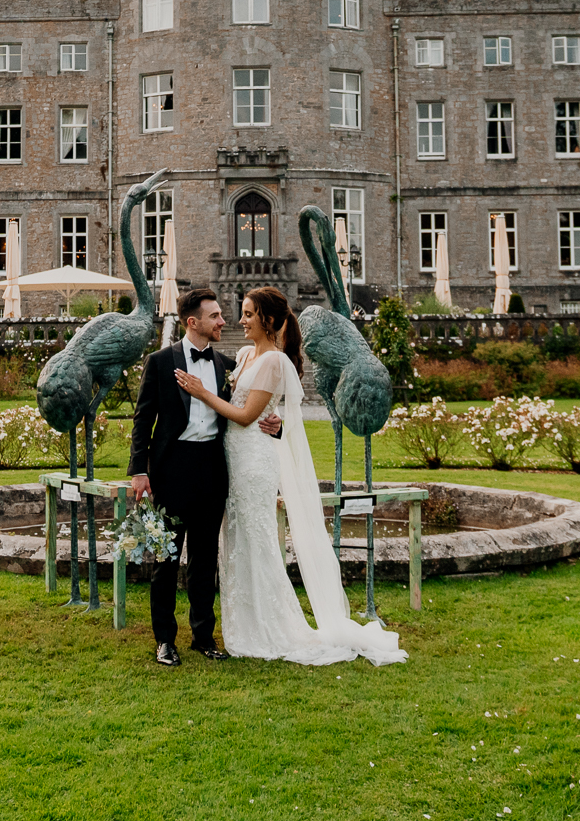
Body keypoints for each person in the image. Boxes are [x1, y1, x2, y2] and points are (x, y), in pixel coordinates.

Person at [176, 286, 406, 666]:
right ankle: (243, 624)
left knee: (258, 541)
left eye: (248, 314)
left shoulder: (275, 363)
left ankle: (271, 626)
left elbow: (247, 416)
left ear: (267, 319)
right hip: (232, 459)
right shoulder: (247, 354)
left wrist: (201, 393)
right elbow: (243, 403)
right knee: (235, 542)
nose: (241, 320)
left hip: (254, 464)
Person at [127, 288, 282, 667]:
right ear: (192, 322)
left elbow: (253, 404)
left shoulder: (227, 364)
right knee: (166, 558)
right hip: (171, 468)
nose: (223, 322)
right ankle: (165, 640)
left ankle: (202, 636)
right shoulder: (160, 362)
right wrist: (139, 471)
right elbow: (142, 420)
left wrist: (279, 426)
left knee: (204, 558)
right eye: (215, 316)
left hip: (212, 468)